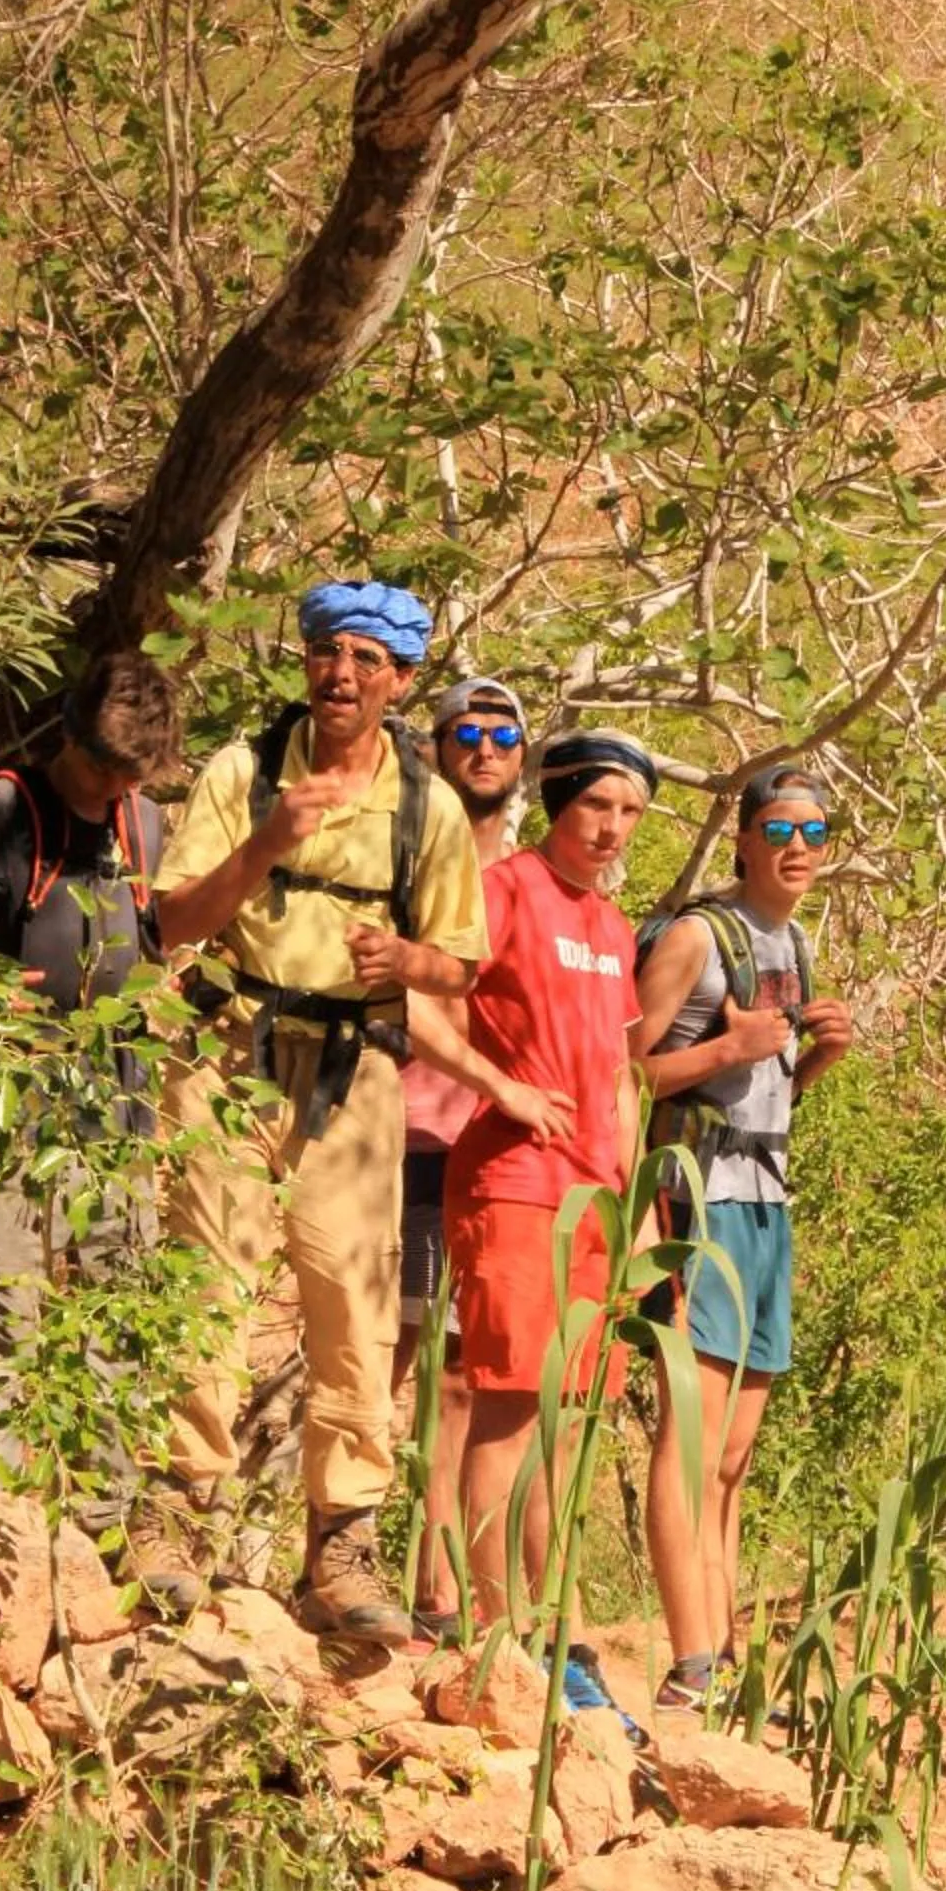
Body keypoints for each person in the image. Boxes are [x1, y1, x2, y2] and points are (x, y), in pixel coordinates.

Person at [152, 579, 489, 1642]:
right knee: (205, 1280)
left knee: (353, 1303)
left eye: (362, 661)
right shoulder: (244, 773)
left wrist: (406, 960)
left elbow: (462, 967)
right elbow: (171, 923)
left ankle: (341, 1546)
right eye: (322, 653)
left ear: (398, 681)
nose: (337, 675)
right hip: (228, 1053)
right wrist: (264, 847)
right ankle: (171, 1516)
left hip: (356, 1071)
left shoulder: (425, 806)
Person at [0, 650, 178, 1539]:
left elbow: (166, 933)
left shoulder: (147, 820)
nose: (112, 789)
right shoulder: (5, 805)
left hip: (125, 1095)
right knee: (3, 1289)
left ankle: (110, 1518)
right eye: (102, 768)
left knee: (118, 1297)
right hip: (22, 1088)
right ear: (70, 735)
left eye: (129, 775)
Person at [445, 729, 658, 1715]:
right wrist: (499, 1088)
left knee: (569, 1422)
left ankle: (556, 1632)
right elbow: (416, 998)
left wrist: (636, 1206)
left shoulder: (613, 929)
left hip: (591, 1200)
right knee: (507, 1404)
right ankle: (494, 1638)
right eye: (595, 807)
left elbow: (617, 1076)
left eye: (628, 814)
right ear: (559, 802)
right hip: (511, 1179)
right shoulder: (503, 890)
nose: (610, 829)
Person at [632, 764, 853, 1709]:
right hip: (696, 1202)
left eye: (815, 833)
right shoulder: (696, 935)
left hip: (766, 1198)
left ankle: (720, 1654)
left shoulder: (791, 940)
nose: (797, 848)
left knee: (732, 1454)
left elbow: (765, 1088)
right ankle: (690, 1668)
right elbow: (624, 1069)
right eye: (781, 830)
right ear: (746, 838)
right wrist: (728, 1047)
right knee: (690, 1437)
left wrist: (817, 1061)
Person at [396, 678, 530, 1641]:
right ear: (438, 749)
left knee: (460, 1375)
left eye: (503, 734)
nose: (485, 748)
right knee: (382, 1353)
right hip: (401, 1131)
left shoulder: (531, 882)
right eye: (466, 734)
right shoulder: (409, 866)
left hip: (489, 1154)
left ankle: (438, 1584)